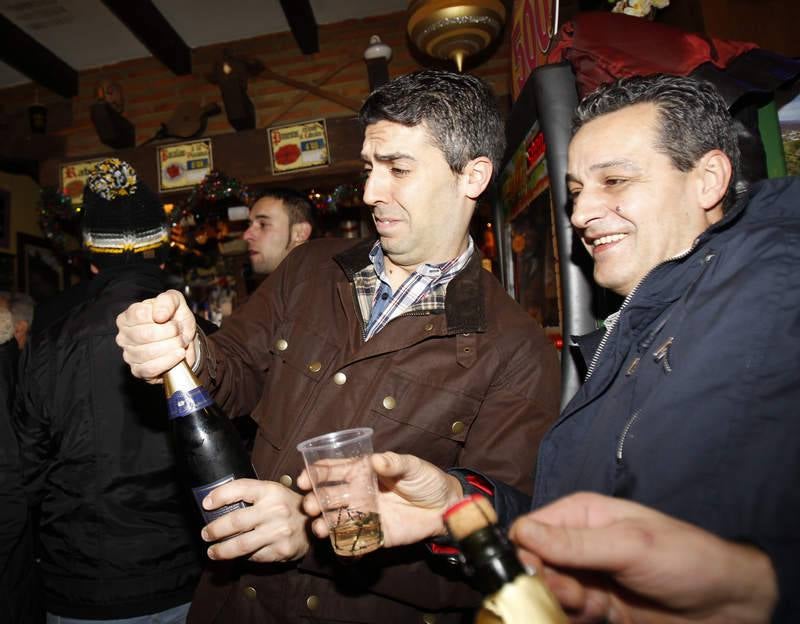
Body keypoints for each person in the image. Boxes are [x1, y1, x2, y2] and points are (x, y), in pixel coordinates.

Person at [300, 73, 800, 622]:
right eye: (579, 191)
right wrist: (455, 505)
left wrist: (757, 590)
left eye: (615, 180)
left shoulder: (770, 293)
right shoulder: (639, 328)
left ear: (707, 180)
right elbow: (573, 525)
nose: (581, 214)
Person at [115, 69, 560, 624]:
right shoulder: (309, 267)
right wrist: (188, 348)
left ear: (472, 176)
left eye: (398, 169)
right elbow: (233, 373)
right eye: (371, 168)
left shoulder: (517, 349)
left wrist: (316, 535)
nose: (372, 192)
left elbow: (490, 552)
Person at [14, 159, 204, 623]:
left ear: (92, 258)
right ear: (162, 251)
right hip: (185, 574)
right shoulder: (205, 337)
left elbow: (26, 467)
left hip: (82, 579)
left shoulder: (47, 340)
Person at [243, 188, 314, 275]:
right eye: (249, 225)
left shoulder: (322, 285)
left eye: (263, 224)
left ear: (300, 233)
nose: (246, 236)